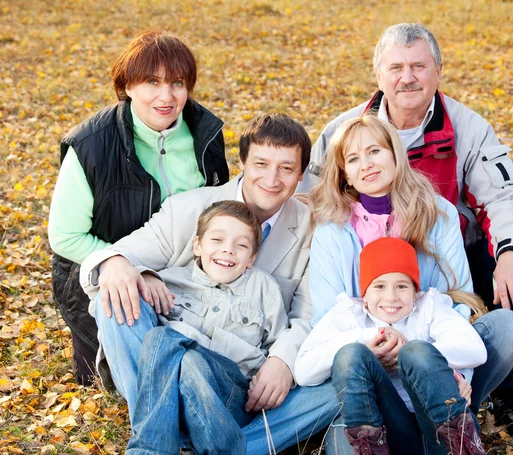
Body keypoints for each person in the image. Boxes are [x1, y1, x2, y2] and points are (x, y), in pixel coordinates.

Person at [299, 23, 513, 435]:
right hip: (365, 306)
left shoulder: (468, 130)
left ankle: (501, 391)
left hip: (445, 260)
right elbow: (309, 198)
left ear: (438, 70)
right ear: (378, 75)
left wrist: (511, 251)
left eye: (418, 66)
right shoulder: (343, 133)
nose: (407, 77)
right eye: (395, 67)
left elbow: (502, 196)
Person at [79, 113, 339, 454]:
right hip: (174, 362)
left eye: (286, 168)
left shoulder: (314, 229)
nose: (272, 179)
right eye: (261, 163)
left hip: (245, 374)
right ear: (242, 161)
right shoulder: (189, 208)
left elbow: (310, 312)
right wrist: (130, 270)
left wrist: (283, 362)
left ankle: (229, 444)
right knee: (112, 299)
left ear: (301, 175)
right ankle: (177, 429)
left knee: (340, 384)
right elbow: (118, 257)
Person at [307, 115, 513, 454]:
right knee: (343, 447)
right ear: (344, 174)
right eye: (353, 159)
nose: (366, 165)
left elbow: (457, 299)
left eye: (374, 151)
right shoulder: (331, 230)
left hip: (434, 359)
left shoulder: (438, 212)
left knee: (505, 328)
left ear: (395, 153)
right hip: (368, 367)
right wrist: (375, 347)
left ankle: (452, 420)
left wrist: (455, 375)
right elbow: (326, 318)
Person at [48, 28, 228, 385]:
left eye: (177, 83)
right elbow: (65, 236)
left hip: (182, 279)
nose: (166, 96)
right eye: (152, 82)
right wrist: (121, 262)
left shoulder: (205, 135)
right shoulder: (91, 145)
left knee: (196, 372)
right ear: (128, 86)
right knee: (108, 379)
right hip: (104, 279)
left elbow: (215, 214)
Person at [117, 200, 288, 454]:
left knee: (182, 350)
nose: (228, 250)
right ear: (197, 245)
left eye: (241, 245)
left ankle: (149, 450)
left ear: (251, 258)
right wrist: (144, 274)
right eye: (217, 240)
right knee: (183, 356)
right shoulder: (170, 282)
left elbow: (279, 344)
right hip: (179, 397)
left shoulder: (265, 290)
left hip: (232, 397)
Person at [296, 237, 487, 455]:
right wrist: (368, 336)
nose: (391, 296)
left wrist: (406, 351)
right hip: (391, 429)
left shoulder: (428, 307)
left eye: (402, 286)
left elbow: (476, 350)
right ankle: (368, 448)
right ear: (365, 294)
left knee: (416, 352)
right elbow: (304, 372)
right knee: (350, 354)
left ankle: (461, 448)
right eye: (379, 286)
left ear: (415, 292)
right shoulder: (349, 314)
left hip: (435, 425)